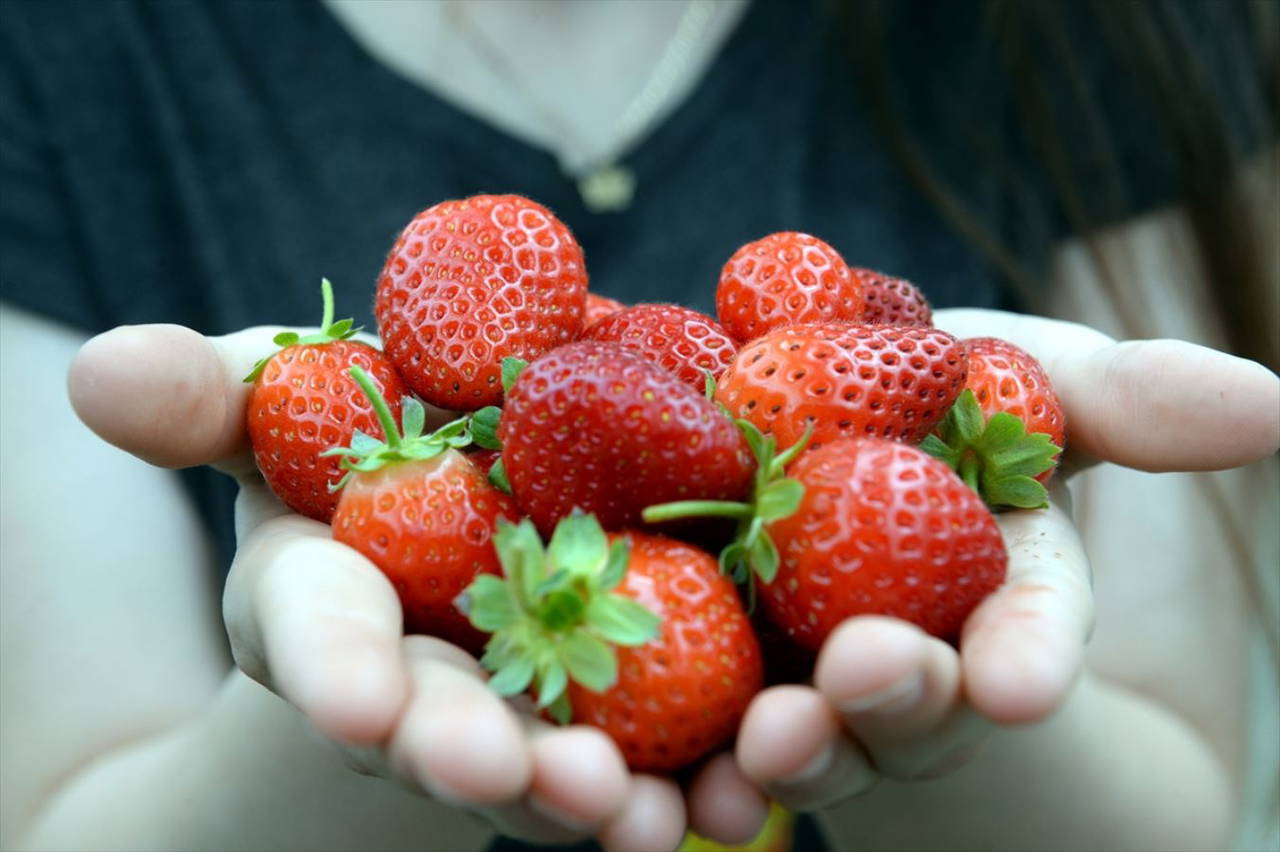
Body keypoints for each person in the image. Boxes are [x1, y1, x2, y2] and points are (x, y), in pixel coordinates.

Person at [1, 1, 1276, 850]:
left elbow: (1175, 810)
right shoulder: (62, 53)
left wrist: (946, 751)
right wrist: (342, 724)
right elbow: (64, 816)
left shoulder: (1090, 30)